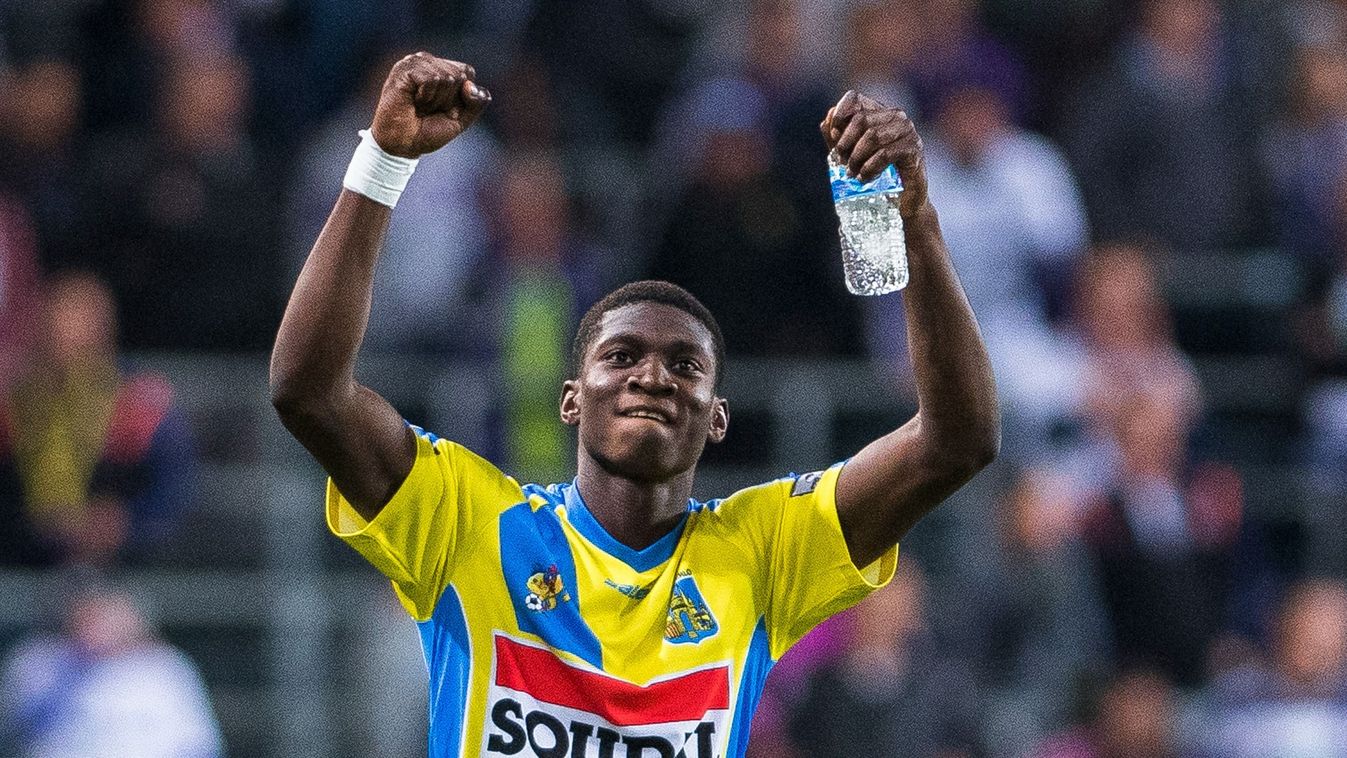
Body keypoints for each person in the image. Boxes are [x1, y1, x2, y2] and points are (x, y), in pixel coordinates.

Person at [269, 51, 999, 757]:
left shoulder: (761, 551)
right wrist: (382, 163)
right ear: (570, 400)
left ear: (717, 417)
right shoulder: (472, 524)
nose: (652, 376)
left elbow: (956, 442)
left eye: (685, 365)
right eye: (620, 357)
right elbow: (309, 392)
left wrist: (915, 222)